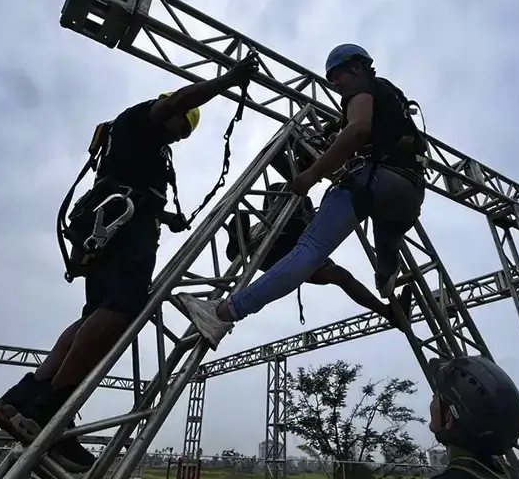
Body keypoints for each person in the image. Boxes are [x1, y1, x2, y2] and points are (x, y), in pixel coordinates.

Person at [0, 55, 259, 474]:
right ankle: (52, 410)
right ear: (169, 108)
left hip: (109, 224)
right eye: (181, 126)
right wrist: (229, 80)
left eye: (186, 134)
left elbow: (126, 175)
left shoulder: (132, 136)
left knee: (95, 313)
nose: (180, 136)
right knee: (120, 309)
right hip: (121, 228)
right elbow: (177, 102)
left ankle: (24, 398)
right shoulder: (145, 117)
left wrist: (164, 216)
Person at [176, 43, 427, 349]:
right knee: (387, 233)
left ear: (357, 67)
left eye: (337, 76)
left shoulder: (361, 90)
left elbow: (358, 129)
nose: (334, 85)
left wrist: (312, 174)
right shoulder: (390, 94)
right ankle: (386, 277)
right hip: (412, 190)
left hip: (377, 180)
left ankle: (224, 313)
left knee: (309, 252)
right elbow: (366, 132)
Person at [223, 182, 408, 326]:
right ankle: (239, 246)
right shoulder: (268, 223)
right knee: (338, 274)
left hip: (295, 256)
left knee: (340, 275)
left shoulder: (301, 217)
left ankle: (389, 313)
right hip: (279, 254)